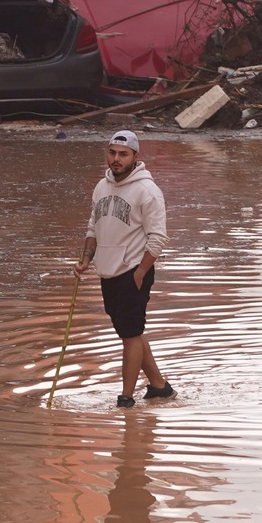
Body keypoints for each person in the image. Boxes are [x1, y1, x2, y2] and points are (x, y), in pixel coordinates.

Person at [77, 130, 173, 408]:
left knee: (130, 335)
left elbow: (158, 237)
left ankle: (126, 397)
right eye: (112, 153)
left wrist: (141, 272)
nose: (116, 159)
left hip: (133, 271)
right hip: (107, 271)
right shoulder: (101, 187)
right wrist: (85, 260)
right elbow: (93, 227)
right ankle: (159, 386)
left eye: (123, 154)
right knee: (131, 331)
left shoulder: (147, 191)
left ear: (135, 157)